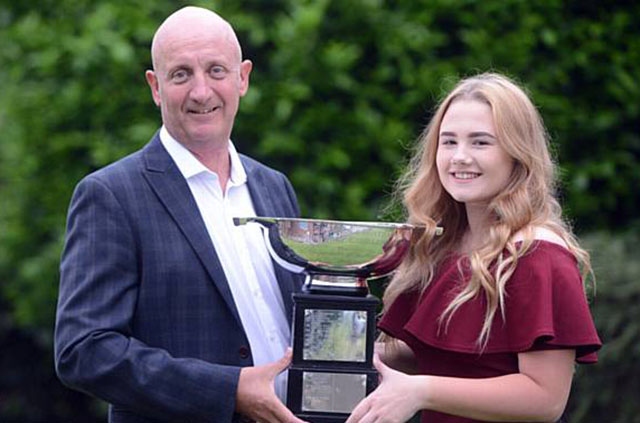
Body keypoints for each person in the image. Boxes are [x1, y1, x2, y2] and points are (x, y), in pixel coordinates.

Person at [54, 6, 307, 423]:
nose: (202, 91)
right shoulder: (111, 195)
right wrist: (230, 391)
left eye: (216, 71)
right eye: (181, 74)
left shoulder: (273, 186)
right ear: (155, 87)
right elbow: (84, 349)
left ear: (243, 78)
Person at [346, 73, 602, 423]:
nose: (460, 157)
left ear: (518, 154)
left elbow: (545, 399)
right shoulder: (444, 245)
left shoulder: (537, 254)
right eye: (448, 142)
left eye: (480, 143)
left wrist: (420, 390)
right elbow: (447, 356)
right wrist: (342, 354)